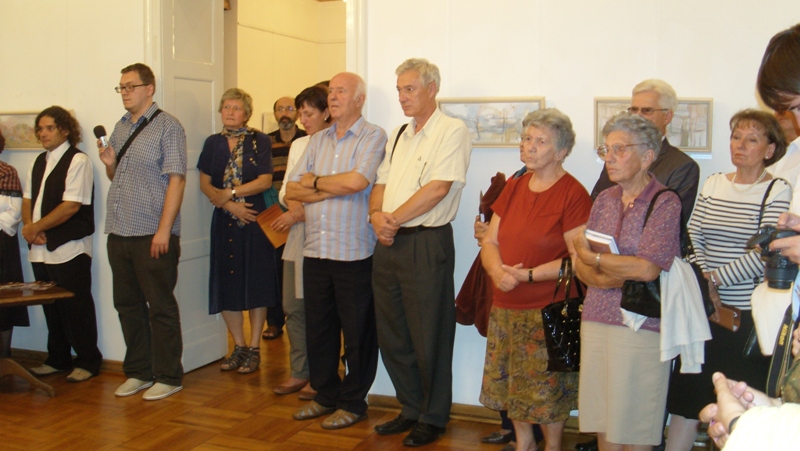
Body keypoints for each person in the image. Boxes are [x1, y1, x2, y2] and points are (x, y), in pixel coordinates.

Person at [664, 109, 791, 451]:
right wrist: (704, 281)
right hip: (704, 312)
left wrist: (714, 280)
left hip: (745, 318)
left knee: (740, 410)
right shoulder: (715, 182)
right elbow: (693, 235)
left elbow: (765, 250)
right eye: (736, 137)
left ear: (769, 150)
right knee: (687, 402)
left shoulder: (777, 189)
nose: (740, 145)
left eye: (752, 140)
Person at [368, 58, 471, 447]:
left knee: (430, 334)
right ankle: (410, 407)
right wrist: (376, 216)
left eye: (409, 89)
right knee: (392, 332)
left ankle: (433, 416)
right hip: (389, 243)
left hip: (426, 242)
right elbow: (380, 182)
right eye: (399, 90)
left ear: (432, 89)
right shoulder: (400, 133)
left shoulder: (452, 131)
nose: (402, 97)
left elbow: (438, 189)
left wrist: (391, 220)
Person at [479, 108, 591, 451]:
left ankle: (552, 447)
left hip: (548, 309)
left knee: (547, 389)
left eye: (540, 141)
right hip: (506, 305)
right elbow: (490, 241)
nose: (529, 146)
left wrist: (526, 276)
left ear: (561, 152)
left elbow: (578, 260)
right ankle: (525, 443)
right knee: (513, 384)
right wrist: (497, 272)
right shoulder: (515, 185)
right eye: (527, 138)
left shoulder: (573, 193)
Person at [573, 112, 682, 451]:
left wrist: (597, 262)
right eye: (606, 149)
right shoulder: (604, 199)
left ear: (647, 156)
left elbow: (647, 269)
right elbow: (579, 263)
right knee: (603, 416)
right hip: (596, 317)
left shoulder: (665, 201)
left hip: (640, 323)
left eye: (620, 149)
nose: (609, 157)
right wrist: (605, 273)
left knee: (635, 423)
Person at [285, 72, 386, 429]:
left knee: (358, 334)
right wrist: (330, 187)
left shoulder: (373, 135)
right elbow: (290, 191)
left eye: (341, 91)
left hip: (353, 253)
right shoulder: (317, 140)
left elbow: (357, 182)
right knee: (319, 330)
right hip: (315, 250)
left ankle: (354, 402)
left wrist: (314, 183)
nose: (333, 97)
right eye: (331, 91)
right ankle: (325, 395)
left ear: (359, 99)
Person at [98, 62, 187, 401]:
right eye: (121, 87)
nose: (124, 92)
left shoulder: (168, 126)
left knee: (160, 307)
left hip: (152, 233)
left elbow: (177, 180)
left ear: (149, 89)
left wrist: (164, 231)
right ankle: (139, 372)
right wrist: (110, 165)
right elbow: (118, 177)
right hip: (119, 230)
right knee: (127, 305)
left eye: (130, 86)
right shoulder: (120, 127)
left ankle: (168, 375)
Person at [197, 88, 277, 374]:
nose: (230, 112)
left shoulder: (260, 140)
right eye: (226, 107)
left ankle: (254, 348)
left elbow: (265, 180)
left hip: (254, 218)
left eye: (236, 108)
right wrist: (230, 205)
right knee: (227, 283)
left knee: (256, 283)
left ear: (246, 113)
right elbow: (205, 183)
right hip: (225, 220)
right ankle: (239, 346)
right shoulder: (213, 143)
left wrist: (231, 193)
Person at [20, 106, 102, 383]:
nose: (43, 133)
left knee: (77, 308)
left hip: (70, 248)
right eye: (40, 129)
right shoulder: (39, 161)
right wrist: (29, 228)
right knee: (51, 307)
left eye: (49, 128)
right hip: (40, 248)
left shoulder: (78, 160)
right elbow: (28, 199)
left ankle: (88, 361)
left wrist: (36, 228)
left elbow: (71, 206)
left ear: (65, 130)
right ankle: (58, 358)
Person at [270, 85, 331, 400]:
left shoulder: (337, 144)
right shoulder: (299, 144)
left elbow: (334, 192)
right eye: (300, 113)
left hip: (327, 233)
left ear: (326, 112)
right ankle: (299, 370)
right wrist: (296, 209)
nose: (302, 120)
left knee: (320, 311)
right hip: (297, 234)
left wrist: (300, 207)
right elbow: (286, 190)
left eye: (309, 113)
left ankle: (321, 376)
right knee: (292, 306)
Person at [590, 79, 700, 223]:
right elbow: (595, 205)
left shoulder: (682, 166)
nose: (638, 116)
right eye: (634, 110)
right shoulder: (615, 156)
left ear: (667, 116)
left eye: (647, 110)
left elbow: (670, 222)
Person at [263, 96, 308, 341]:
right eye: (280, 108)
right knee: (273, 269)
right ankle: (274, 321)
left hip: (300, 212)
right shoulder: (266, 142)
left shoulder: (306, 138)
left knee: (295, 271)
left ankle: (299, 321)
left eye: (289, 108)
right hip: (273, 212)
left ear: (297, 114)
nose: (285, 113)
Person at [0, 129, 28, 358]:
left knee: (4, 303)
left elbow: (13, 214)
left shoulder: (7, 172)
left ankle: (3, 356)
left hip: (2, 245)